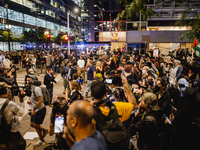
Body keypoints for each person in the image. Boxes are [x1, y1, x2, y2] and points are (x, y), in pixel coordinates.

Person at [0, 82, 26, 150]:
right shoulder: (10, 104)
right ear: (5, 91)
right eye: (8, 89)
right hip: (11, 133)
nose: (10, 91)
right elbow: (22, 112)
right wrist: (21, 100)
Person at [26, 75, 48, 147]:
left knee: (36, 125)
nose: (27, 81)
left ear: (34, 80)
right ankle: (44, 130)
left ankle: (42, 140)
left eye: (29, 80)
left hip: (40, 109)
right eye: (27, 80)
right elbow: (34, 98)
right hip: (34, 109)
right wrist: (30, 101)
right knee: (32, 124)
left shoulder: (36, 89)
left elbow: (40, 100)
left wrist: (34, 109)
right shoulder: (31, 88)